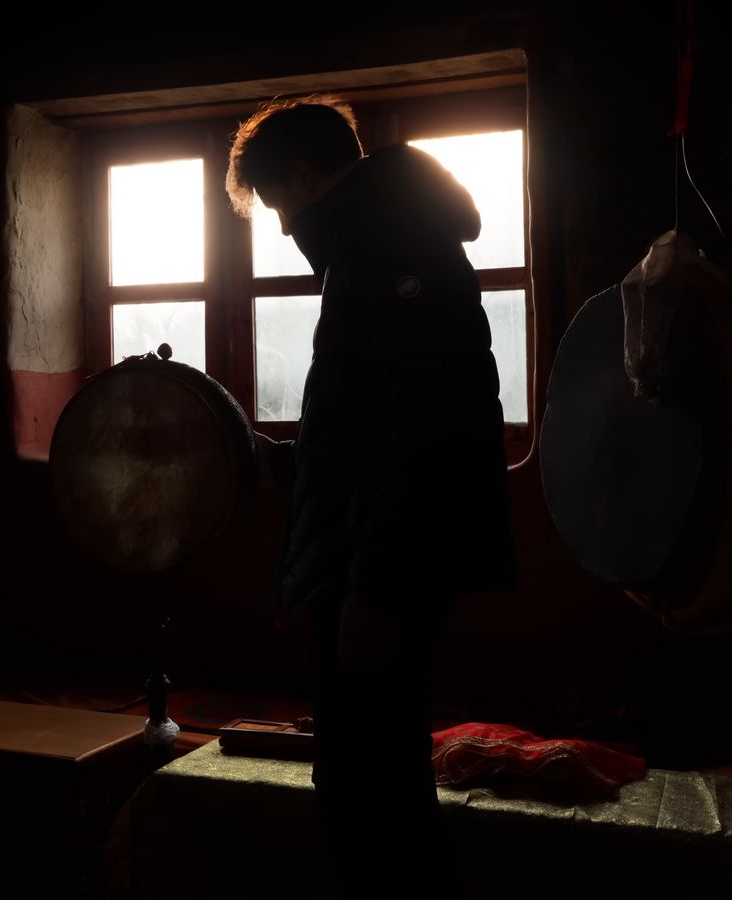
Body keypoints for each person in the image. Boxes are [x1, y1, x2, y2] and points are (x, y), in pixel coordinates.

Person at [225, 94, 516, 898]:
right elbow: (369, 429)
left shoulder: (388, 251)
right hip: (372, 561)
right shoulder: (387, 244)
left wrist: (376, 588)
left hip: (378, 572)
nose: (284, 227)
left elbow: (428, 434)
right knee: (371, 775)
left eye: (281, 203)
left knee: (369, 787)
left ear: (305, 176)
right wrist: (286, 462)